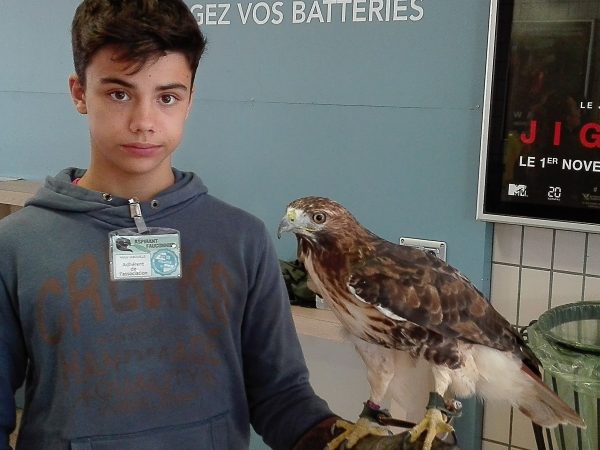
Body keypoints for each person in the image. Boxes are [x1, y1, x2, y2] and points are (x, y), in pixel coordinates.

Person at [0, 1, 457, 449]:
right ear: (79, 93)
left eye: (167, 97)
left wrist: (346, 446)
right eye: (119, 94)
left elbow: (282, 398)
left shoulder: (241, 240)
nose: (144, 122)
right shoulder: (18, 247)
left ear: (190, 99)